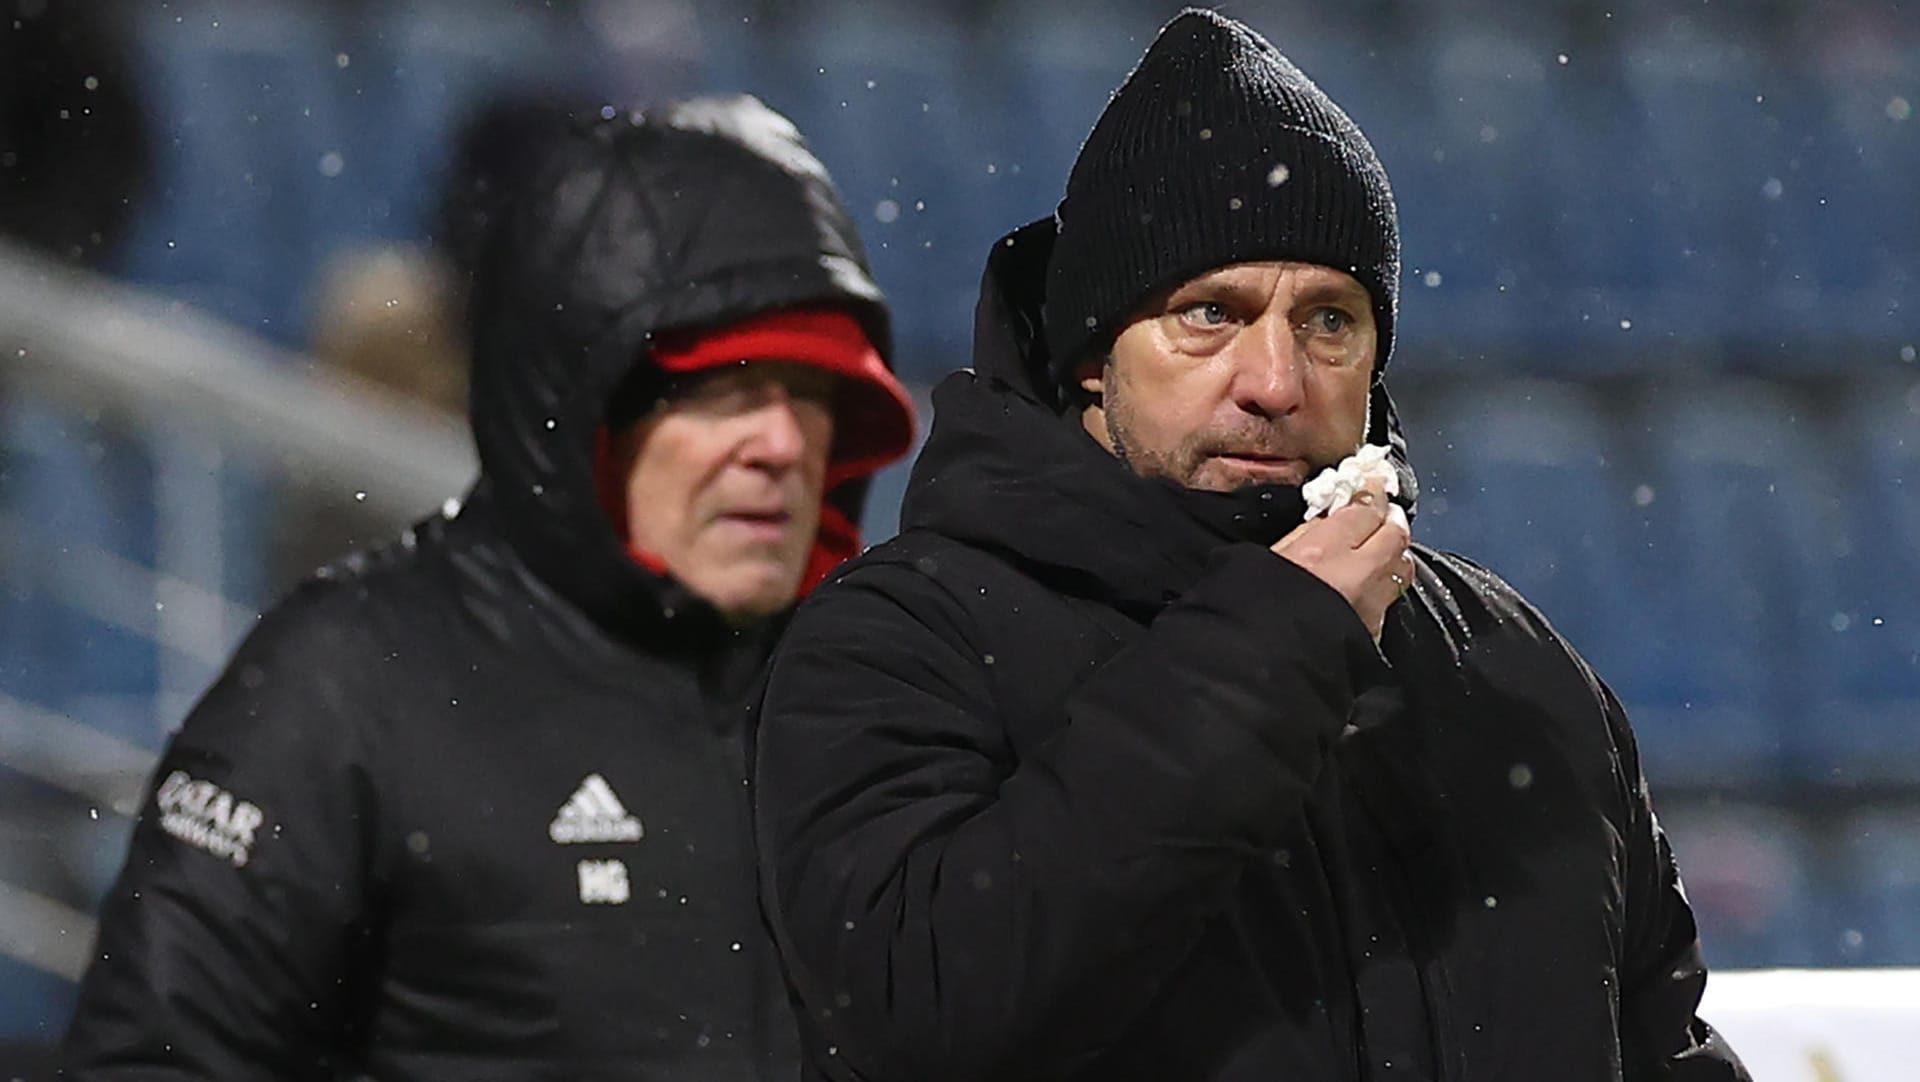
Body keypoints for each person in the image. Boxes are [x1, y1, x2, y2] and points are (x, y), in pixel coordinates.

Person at [752, 11, 1748, 1082]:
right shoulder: (900, 638)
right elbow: (921, 1015)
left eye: (1329, 320)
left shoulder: (1515, 665)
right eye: (1210, 312)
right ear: (1095, 355)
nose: (1276, 380)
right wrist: (1275, 651)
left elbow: (1662, 1045)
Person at [60, 94, 916, 1080]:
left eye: (814, 390)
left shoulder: (882, 695)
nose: (780, 442)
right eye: (719, 387)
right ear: (571, 401)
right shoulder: (344, 686)